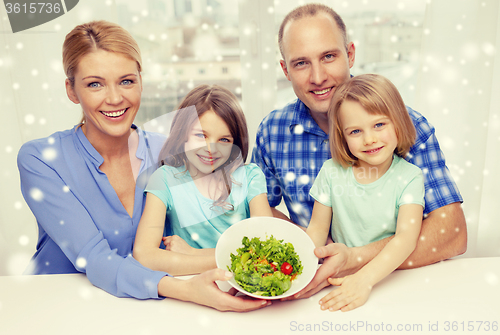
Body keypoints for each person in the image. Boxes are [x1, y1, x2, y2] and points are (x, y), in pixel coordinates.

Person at [17, 20, 269, 311]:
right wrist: (189, 288)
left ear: (140, 80)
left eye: (126, 81)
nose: (114, 98)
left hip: (143, 309)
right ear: (71, 90)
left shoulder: (173, 151)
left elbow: (232, 195)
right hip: (54, 303)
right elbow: (94, 257)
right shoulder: (41, 159)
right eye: (94, 84)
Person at [251, 3, 466, 297]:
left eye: (328, 56)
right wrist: (309, 255)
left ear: (350, 54)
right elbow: (257, 210)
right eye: (301, 63)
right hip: (312, 290)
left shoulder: (407, 125)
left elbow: (451, 234)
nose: (317, 77)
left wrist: (354, 261)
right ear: (285, 69)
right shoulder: (272, 132)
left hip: (399, 286)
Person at [306, 74, 424, 311]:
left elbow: (405, 238)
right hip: (339, 281)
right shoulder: (331, 172)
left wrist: (364, 279)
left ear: (398, 122)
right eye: (355, 132)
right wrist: (298, 270)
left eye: (379, 125)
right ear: (342, 136)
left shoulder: (410, 177)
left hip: (390, 279)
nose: (369, 139)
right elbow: (317, 230)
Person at [133, 85, 273, 275]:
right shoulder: (164, 179)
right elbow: (144, 256)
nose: (211, 149)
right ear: (183, 135)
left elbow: (265, 250)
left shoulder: (250, 177)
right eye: (201, 135)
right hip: (191, 288)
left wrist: (192, 254)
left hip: (242, 287)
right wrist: (236, 261)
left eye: (224, 140)